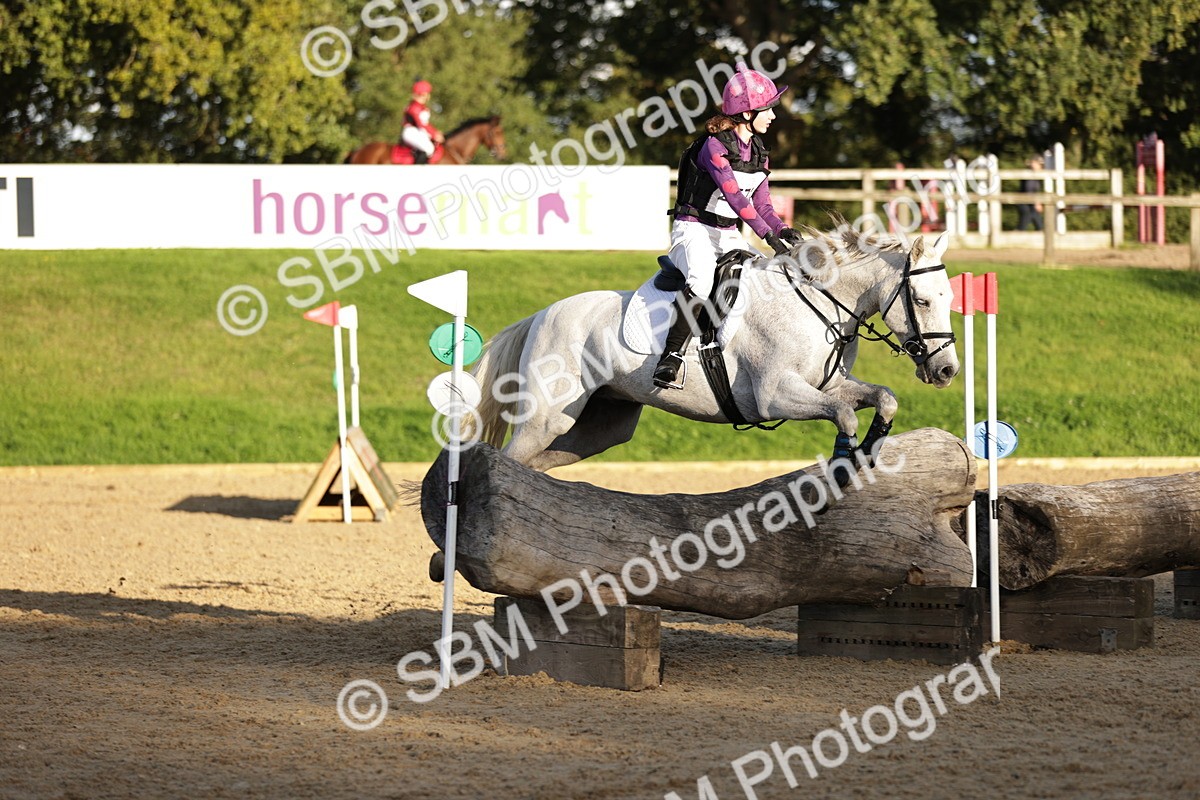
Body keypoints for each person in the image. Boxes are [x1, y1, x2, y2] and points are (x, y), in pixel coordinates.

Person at [653, 63, 803, 390]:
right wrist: (766, 235)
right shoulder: (714, 146)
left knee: (768, 276)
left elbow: (762, 204)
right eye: (768, 109)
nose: (774, 115)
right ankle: (671, 356)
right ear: (747, 113)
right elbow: (735, 197)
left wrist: (781, 230)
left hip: (729, 233)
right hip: (692, 229)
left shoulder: (760, 152)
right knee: (702, 280)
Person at [401, 80, 444, 164]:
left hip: (420, 131)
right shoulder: (414, 107)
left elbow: (425, 125)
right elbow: (421, 124)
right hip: (412, 132)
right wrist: (434, 134)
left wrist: (435, 132)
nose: (427, 96)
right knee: (429, 148)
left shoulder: (421, 107)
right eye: (425, 94)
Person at [1017, 155, 1044, 231]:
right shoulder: (1031, 175)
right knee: (1023, 224)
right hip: (1026, 204)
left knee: (1038, 224)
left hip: (1029, 204)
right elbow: (1029, 189)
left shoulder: (1035, 175)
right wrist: (1036, 203)